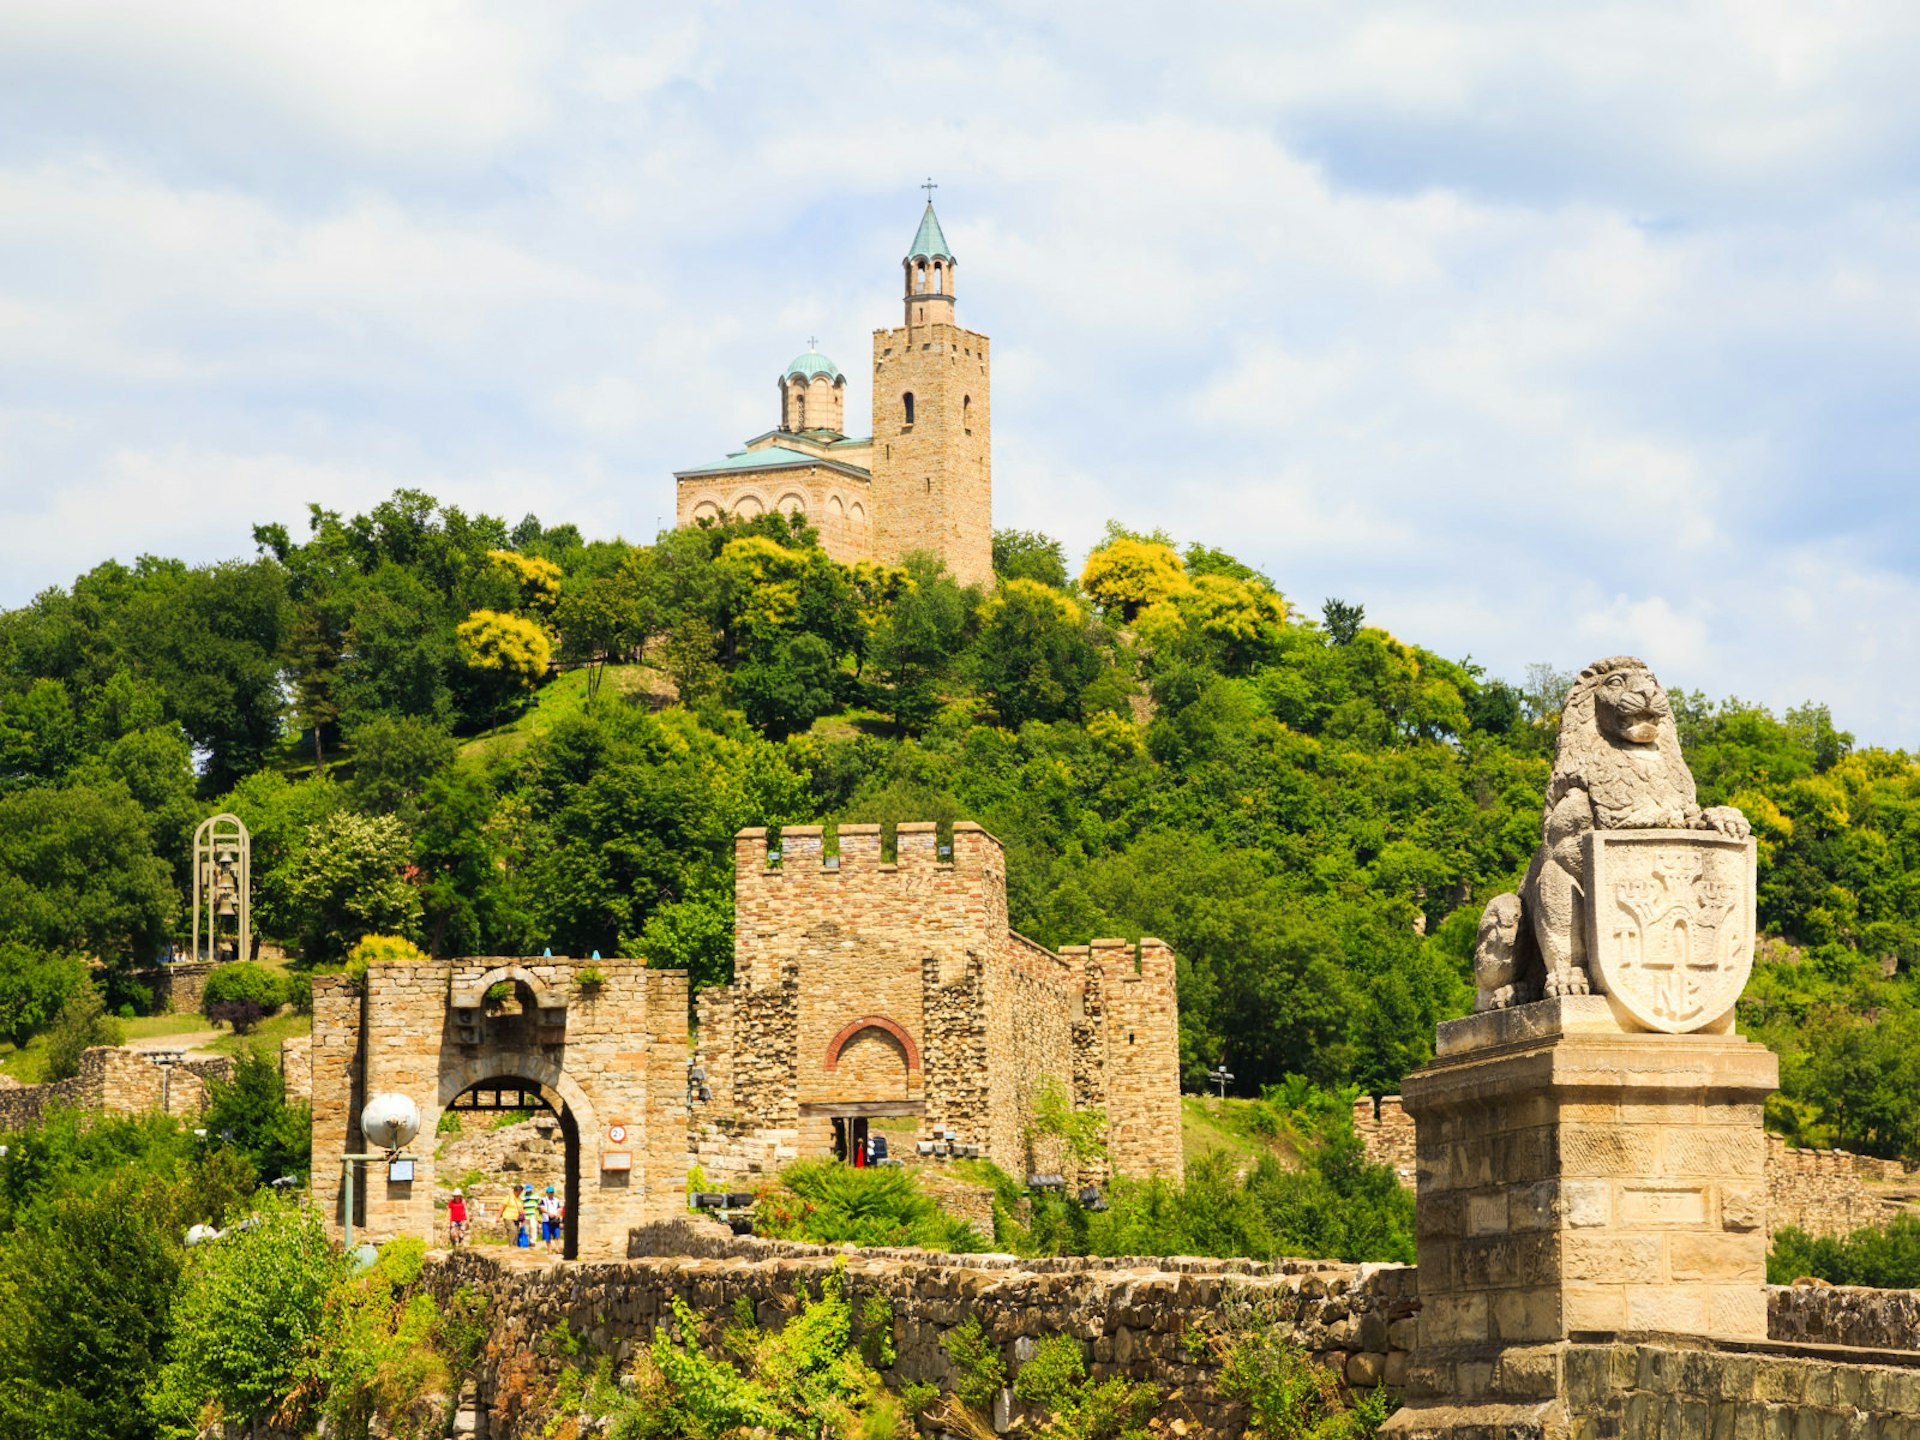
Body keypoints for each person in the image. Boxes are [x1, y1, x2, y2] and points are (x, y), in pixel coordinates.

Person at [539, 1185, 563, 1253]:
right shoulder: (544, 1200)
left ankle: (557, 1248)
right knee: (547, 1236)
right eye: (549, 1192)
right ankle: (549, 1249)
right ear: (547, 1193)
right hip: (546, 1220)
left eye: (552, 1192)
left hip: (555, 1220)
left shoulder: (556, 1200)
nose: (551, 1194)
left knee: (557, 1235)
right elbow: (542, 1208)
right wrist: (548, 1213)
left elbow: (559, 1208)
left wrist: (558, 1214)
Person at [520, 1183, 539, 1249]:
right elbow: (521, 1205)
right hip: (526, 1215)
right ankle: (527, 1241)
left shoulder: (535, 1196)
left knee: (533, 1228)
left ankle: (533, 1241)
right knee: (526, 1229)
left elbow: (538, 1204)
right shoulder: (523, 1197)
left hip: (533, 1214)